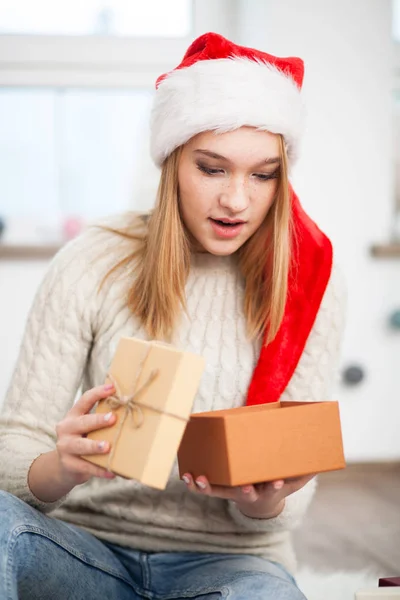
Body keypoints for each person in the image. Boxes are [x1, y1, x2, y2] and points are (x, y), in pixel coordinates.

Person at [0, 32, 345, 600]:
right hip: (86, 549)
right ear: (171, 164)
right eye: (212, 169)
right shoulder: (94, 260)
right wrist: (59, 467)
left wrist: (266, 499)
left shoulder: (308, 284)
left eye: (262, 175)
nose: (237, 200)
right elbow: (15, 444)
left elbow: (292, 489)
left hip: (230, 565)